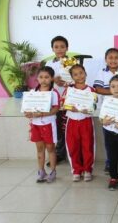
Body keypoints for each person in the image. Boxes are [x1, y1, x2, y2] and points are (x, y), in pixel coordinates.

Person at [24, 66, 59, 183]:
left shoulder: (53, 93)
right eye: (41, 77)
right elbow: (27, 108)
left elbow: (56, 109)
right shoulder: (32, 92)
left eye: (47, 77)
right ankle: (41, 171)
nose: (43, 80)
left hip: (48, 124)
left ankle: (53, 171)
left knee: (50, 148)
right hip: (35, 125)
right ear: (37, 79)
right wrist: (28, 113)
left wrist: (43, 114)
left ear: (52, 79)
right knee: (39, 148)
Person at [63, 65, 96, 182]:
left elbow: (93, 107)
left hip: (86, 121)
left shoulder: (91, 90)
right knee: (73, 146)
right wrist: (69, 107)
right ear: (72, 77)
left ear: (85, 73)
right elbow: (64, 104)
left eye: (81, 73)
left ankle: (87, 169)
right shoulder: (69, 90)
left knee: (88, 146)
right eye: (75, 74)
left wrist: (89, 109)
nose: (79, 76)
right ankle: (76, 170)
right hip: (72, 121)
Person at [94, 48, 118, 173]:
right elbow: (98, 89)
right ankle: (109, 162)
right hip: (107, 110)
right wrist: (114, 92)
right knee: (109, 137)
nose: (113, 60)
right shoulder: (101, 72)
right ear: (106, 59)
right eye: (110, 57)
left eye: (116, 57)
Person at [45, 36, 69, 166]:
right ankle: (59, 154)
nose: (59, 49)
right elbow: (44, 79)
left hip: (68, 100)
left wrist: (69, 81)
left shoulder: (72, 62)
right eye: (56, 47)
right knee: (58, 128)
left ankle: (71, 153)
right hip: (55, 101)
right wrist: (54, 79)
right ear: (52, 49)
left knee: (67, 128)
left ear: (67, 48)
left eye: (62, 46)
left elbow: (78, 76)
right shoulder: (49, 64)